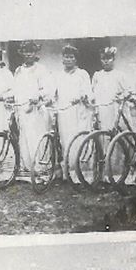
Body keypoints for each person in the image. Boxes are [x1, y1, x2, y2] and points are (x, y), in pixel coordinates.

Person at [13, 41, 54, 171]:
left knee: (37, 137)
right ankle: (27, 167)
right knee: (24, 138)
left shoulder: (41, 69)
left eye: (31, 51)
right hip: (22, 109)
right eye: (26, 51)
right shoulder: (18, 70)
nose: (28, 54)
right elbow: (15, 89)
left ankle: (41, 168)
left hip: (37, 110)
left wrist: (38, 96)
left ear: (35, 53)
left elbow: (48, 88)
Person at [54, 45, 92, 178]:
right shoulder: (58, 75)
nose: (68, 59)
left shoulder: (82, 74)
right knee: (66, 141)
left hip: (79, 111)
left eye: (71, 57)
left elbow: (88, 92)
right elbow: (53, 93)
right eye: (66, 57)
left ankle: (82, 173)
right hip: (64, 113)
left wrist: (81, 97)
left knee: (79, 138)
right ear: (62, 58)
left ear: (76, 59)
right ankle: (68, 173)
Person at [92, 46, 130, 131]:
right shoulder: (97, 76)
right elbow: (93, 93)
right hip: (102, 110)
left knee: (116, 131)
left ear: (113, 59)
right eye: (103, 58)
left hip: (115, 108)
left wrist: (122, 96)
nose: (106, 61)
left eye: (109, 58)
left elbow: (128, 91)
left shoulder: (120, 75)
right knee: (103, 132)